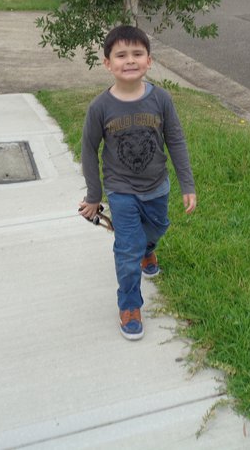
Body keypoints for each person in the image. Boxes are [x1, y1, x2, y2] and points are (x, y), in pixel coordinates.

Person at [79, 25, 197, 341]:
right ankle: (130, 304)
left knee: (157, 228)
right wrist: (94, 196)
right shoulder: (100, 108)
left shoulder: (161, 99)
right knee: (126, 248)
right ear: (107, 63)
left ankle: (149, 249)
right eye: (121, 55)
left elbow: (176, 140)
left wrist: (188, 184)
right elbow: (89, 149)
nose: (129, 60)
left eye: (137, 54)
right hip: (121, 190)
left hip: (157, 186)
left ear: (149, 61)